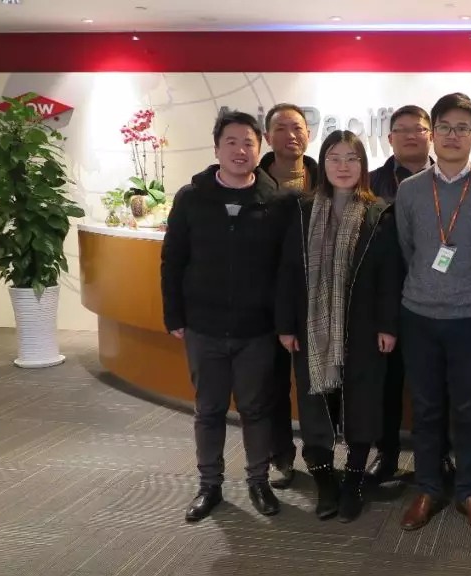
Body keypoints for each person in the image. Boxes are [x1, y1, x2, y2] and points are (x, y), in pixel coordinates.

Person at [160, 110, 294, 522]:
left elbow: (287, 271)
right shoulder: (191, 198)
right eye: (231, 142)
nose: (240, 150)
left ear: (260, 148)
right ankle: (209, 485)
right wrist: (174, 314)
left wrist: (283, 323)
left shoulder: (278, 202)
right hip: (204, 326)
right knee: (209, 410)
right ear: (217, 148)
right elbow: (173, 260)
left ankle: (258, 481)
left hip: (258, 330)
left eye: (248, 143)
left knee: (256, 408)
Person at [394, 92, 471, 533]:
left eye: (462, 128)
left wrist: (469, 290)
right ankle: (428, 487)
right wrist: (431, 286)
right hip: (419, 316)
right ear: (433, 133)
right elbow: (408, 249)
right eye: (444, 126)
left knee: (467, 408)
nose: (452, 135)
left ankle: (469, 490)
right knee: (425, 408)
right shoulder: (410, 190)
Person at [275, 130, 402, 523]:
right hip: (310, 328)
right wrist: (285, 324)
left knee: (362, 402)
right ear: (323, 163)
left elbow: (389, 275)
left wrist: (388, 325)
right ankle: (325, 480)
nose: (343, 166)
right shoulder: (301, 210)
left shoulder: (379, 212)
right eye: (334, 158)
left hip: (363, 326)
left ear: (363, 165)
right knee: (315, 405)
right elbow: (287, 271)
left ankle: (355, 480)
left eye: (352, 158)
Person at [366, 105, 455, 485]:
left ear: (430, 135)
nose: (410, 136)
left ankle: (438, 455)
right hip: (387, 300)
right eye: (401, 130)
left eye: (418, 129)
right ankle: (386, 454)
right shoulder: (370, 183)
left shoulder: (450, 180)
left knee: (437, 384)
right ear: (389, 139)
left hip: (437, 301)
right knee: (386, 384)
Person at [257, 103, 321, 490]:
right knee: (273, 384)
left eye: (297, 127)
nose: (290, 135)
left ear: (308, 134)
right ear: (268, 137)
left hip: (316, 300)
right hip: (267, 301)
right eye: (281, 128)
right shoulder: (253, 183)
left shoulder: (324, 177)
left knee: (317, 384)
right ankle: (279, 455)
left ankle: (321, 459)